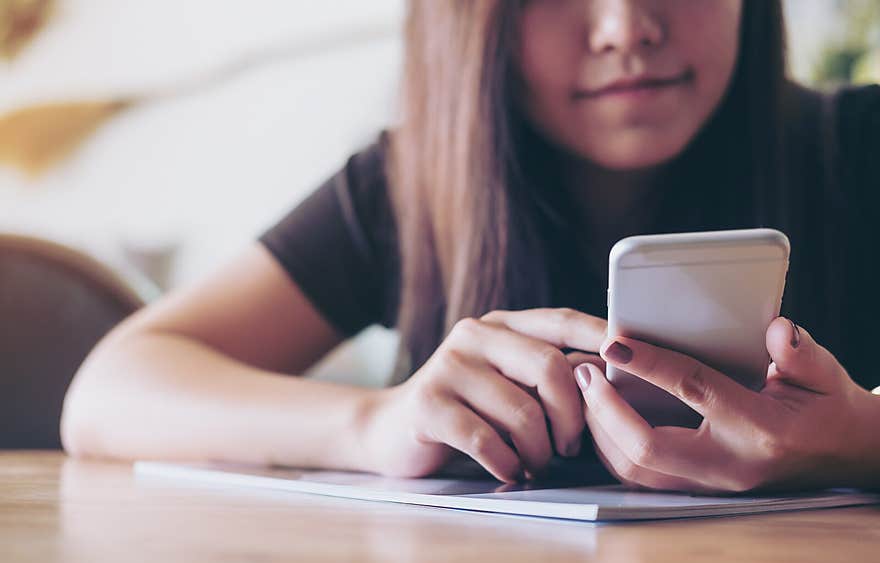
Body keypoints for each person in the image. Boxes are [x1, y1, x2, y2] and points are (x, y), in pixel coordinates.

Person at [61, 0, 880, 493]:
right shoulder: (411, 185)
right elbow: (108, 392)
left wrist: (858, 438)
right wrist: (371, 426)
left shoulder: (858, 147)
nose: (627, 28)